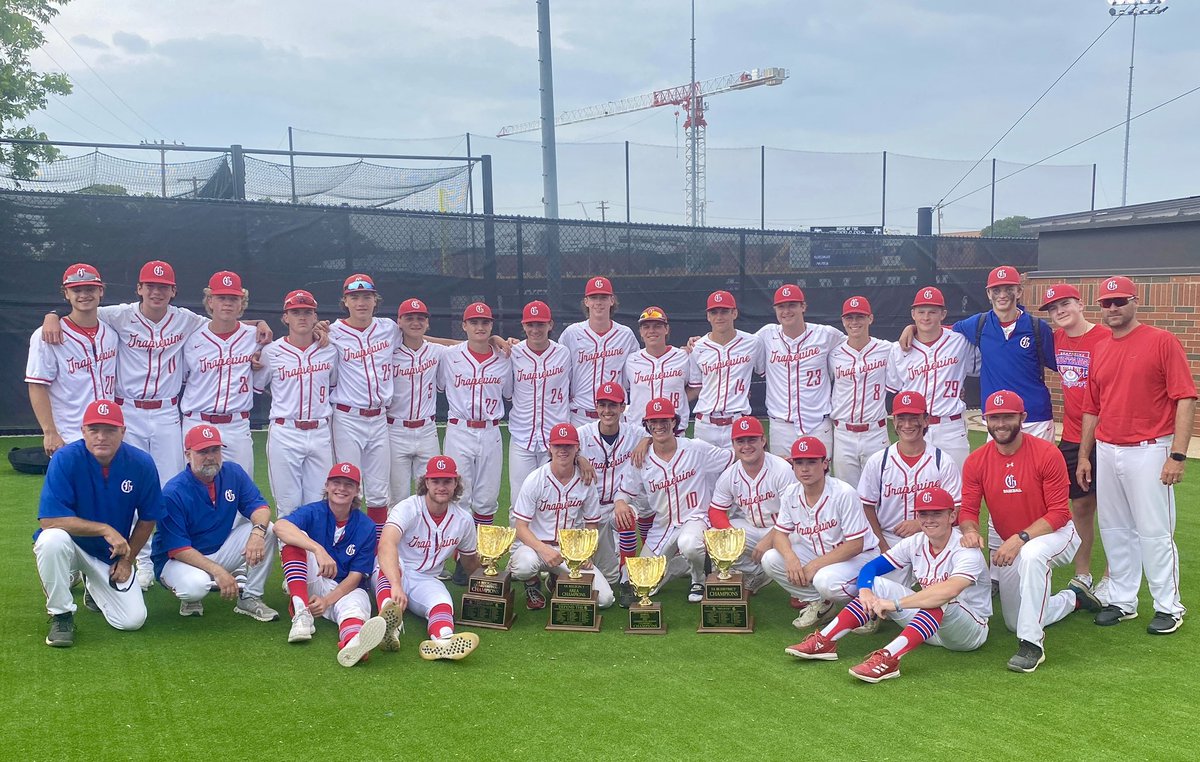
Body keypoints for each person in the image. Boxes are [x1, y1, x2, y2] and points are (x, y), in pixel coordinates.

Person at [40, 260, 272, 589]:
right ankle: (141, 560)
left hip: (166, 412)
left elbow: (223, 322)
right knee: (131, 485)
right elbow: (81, 309)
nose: (156, 291)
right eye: (150, 286)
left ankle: (196, 555)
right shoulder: (117, 314)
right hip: (128, 411)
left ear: (173, 291)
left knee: (163, 488)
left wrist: (259, 322)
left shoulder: (186, 320)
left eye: (163, 287)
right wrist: (51, 315)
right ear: (139, 289)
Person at [1079, 276, 1196, 635]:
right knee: (1115, 530)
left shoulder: (1162, 341)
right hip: (1109, 448)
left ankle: (1168, 606)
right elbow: (1092, 408)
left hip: (1150, 448)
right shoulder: (1100, 348)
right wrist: (1085, 455)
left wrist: (1177, 454)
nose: (1113, 308)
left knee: (1155, 531)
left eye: (1120, 301)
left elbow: (1185, 398)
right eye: (1106, 303)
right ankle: (1123, 600)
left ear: (1135, 301)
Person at [785, 487, 990, 684]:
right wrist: (865, 591)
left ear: (951, 516)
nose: (929, 520)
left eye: (936, 514)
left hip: (968, 631)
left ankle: (889, 658)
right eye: (923, 514)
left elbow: (950, 590)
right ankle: (824, 641)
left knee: (942, 597)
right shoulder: (916, 541)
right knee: (878, 584)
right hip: (929, 626)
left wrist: (895, 604)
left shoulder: (966, 548)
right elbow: (871, 568)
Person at [960, 390, 1100, 672]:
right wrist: (970, 531)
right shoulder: (976, 460)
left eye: (1008, 417)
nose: (1001, 424)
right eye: (994, 417)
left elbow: (1060, 512)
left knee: (1033, 554)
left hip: (1056, 535)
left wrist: (1020, 538)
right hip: (1013, 542)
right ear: (985, 419)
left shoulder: (1047, 453)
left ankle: (1032, 645)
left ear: (1022, 418)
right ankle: (1073, 599)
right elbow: (968, 512)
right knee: (1015, 620)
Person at [32, 400, 164, 647]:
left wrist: (127, 560)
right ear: (83, 431)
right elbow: (49, 520)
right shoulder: (65, 458)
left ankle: (93, 586)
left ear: (123, 432)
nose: (101, 437)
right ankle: (61, 615)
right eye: (94, 430)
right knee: (51, 540)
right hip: (71, 547)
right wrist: (105, 529)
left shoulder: (141, 463)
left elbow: (148, 518)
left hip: (108, 555)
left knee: (132, 621)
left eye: (110, 430)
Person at [153, 424, 280, 622]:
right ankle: (188, 594)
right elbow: (178, 549)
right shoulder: (173, 492)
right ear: (188, 454)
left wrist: (257, 533)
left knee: (269, 529)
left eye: (215, 450)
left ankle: (250, 597)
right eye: (203, 451)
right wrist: (218, 571)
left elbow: (260, 508)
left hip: (217, 549)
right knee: (195, 587)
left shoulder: (233, 473)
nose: (210, 457)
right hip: (177, 561)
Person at [614, 398, 733, 603]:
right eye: (654, 422)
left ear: (674, 422)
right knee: (643, 585)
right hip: (662, 526)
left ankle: (699, 578)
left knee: (688, 543)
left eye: (664, 421)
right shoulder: (641, 459)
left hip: (694, 519)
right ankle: (683, 565)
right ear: (648, 425)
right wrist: (620, 503)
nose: (659, 426)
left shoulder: (696, 449)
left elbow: (731, 459)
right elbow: (624, 491)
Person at [761, 436, 879, 629]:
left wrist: (813, 566)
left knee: (825, 580)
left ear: (825, 464)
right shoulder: (791, 493)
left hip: (860, 557)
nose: (805, 468)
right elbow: (780, 533)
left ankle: (868, 606)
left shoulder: (843, 493)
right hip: (822, 554)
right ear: (793, 466)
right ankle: (821, 603)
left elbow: (855, 545)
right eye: (799, 463)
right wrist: (790, 558)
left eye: (811, 462)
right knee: (771, 559)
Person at [274, 462, 383, 667]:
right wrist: (318, 549)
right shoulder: (313, 511)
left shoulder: (366, 525)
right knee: (294, 537)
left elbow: (356, 576)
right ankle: (301, 613)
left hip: (344, 587)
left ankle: (353, 643)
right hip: (314, 577)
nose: (341, 488)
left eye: (348, 485)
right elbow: (280, 526)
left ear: (357, 491)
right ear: (327, 485)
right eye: (336, 482)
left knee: (355, 608)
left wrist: (326, 601)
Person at [1040, 283, 1111, 593]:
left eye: (1065, 303)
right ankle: (1083, 574)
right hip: (1071, 435)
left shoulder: (1105, 337)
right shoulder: (1055, 340)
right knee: (1080, 507)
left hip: (1108, 436)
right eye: (1053, 309)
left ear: (1081, 304)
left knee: (1112, 509)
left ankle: (1114, 576)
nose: (1060, 311)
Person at [374, 456, 481, 661]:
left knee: (443, 603)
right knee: (391, 571)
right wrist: (396, 583)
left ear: (455, 483)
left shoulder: (463, 519)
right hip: (393, 569)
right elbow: (386, 544)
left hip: (427, 578)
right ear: (426, 482)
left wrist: (488, 583)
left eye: (447, 481)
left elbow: (469, 561)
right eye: (436, 481)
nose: (441, 487)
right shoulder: (408, 507)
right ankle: (388, 625)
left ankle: (443, 640)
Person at [439, 301, 511, 584]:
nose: (480, 327)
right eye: (474, 322)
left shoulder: (505, 357)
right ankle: (460, 558)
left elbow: (508, 393)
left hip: (492, 431)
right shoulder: (449, 356)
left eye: (485, 323)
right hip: (459, 430)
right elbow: (423, 340)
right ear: (464, 326)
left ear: (491, 326)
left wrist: (499, 342)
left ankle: (483, 556)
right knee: (460, 498)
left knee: (486, 499)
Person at [510, 423, 615, 610]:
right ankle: (532, 584)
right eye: (558, 445)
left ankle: (556, 579)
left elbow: (592, 524)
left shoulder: (585, 480)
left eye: (568, 445)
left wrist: (586, 552)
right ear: (550, 448)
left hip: (570, 552)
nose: (563, 450)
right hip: (536, 549)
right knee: (522, 567)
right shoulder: (535, 479)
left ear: (577, 448)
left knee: (605, 600)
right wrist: (543, 550)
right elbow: (520, 527)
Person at [327, 273, 398, 534]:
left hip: (379, 418)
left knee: (379, 491)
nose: (361, 302)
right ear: (345, 301)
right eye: (354, 297)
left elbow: (421, 341)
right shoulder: (332, 332)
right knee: (347, 485)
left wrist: (475, 343)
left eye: (366, 296)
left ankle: (377, 551)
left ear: (374, 300)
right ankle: (345, 543)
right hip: (347, 417)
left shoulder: (388, 328)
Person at [258, 289, 337, 518]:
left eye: (307, 312)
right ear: (285, 317)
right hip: (286, 431)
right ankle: (292, 555)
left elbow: (333, 383)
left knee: (319, 504)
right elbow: (259, 385)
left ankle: (314, 555)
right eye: (295, 312)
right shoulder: (271, 352)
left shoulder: (330, 350)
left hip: (320, 431)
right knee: (288, 504)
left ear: (315, 316)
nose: (302, 317)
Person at [26, 263, 117, 456]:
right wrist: (49, 432)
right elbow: (36, 385)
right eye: (76, 290)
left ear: (101, 291)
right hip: (69, 433)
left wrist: (52, 313)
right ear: (66, 294)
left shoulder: (111, 332)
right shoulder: (47, 335)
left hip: (108, 432)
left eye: (90, 289)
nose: (84, 295)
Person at [179, 271, 265, 475]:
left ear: (241, 303)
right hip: (198, 421)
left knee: (240, 489)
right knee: (197, 489)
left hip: (237, 424)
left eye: (233, 298)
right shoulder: (191, 338)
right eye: (221, 297)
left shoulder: (256, 337)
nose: (227, 303)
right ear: (210, 301)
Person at [858, 392, 961, 560]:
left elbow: (956, 507)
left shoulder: (942, 461)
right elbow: (866, 507)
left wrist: (919, 524)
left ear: (926, 420)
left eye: (914, 418)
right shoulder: (878, 462)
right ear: (894, 421)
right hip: (889, 538)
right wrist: (882, 547)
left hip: (932, 537)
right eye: (901, 418)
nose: (907, 424)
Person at [886, 286, 979, 467]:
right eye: (921, 312)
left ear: (943, 314)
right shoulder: (898, 349)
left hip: (951, 427)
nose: (926, 317)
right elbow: (895, 388)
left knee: (957, 487)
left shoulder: (960, 341)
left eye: (932, 312)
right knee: (916, 487)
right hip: (915, 428)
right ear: (913, 314)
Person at [755, 284, 845, 457]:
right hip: (781, 426)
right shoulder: (766, 335)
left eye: (792, 305)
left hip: (819, 424)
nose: (786, 311)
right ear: (775, 310)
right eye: (781, 306)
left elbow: (859, 344)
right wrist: (698, 342)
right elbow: (737, 344)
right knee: (785, 480)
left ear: (803, 307)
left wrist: (912, 329)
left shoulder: (826, 335)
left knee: (822, 479)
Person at [706, 415, 793, 592]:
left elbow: (793, 515)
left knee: (781, 553)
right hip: (753, 528)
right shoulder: (730, 475)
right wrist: (731, 535)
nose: (746, 446)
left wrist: (770, 539)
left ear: (763, 440)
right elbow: (715, 511)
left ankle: (800, 589)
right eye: (740, 441)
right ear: (733, 444)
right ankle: (758, 572)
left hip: (786, 531)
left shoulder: (781, 469)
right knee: (717, 536)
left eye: (752, 439)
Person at [578, 381, 642, 607]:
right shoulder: (583, 434)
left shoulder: (634, 433)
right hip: (589, 512)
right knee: (600, 572)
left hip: (617, 504)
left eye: (613, 405)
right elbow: (556, 450)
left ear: (623, 408)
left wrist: (646, 442)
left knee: (628, 517)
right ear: (596, 407)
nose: (607, 411)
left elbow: (656, 435)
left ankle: (627, 580)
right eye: (603, 405)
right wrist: (578, 456)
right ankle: (561, 576)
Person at [507, 300, 572, 498]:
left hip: (555, 438)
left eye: (540, 324)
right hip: (522, 436)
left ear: (550, 325)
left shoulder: (563, 353)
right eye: (531, 324)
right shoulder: (513, 353)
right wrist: (496, 339)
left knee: (554, 501)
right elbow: (508, 392)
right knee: (519, 501)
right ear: (523, 325)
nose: (535, 329)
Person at [828, 296, 893, 486]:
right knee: (846, 493)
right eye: (849, 318)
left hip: (876, 432)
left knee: (881, 491)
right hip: (843, 434)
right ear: (843, 321)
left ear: (870, 319)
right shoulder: (833, 354)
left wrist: (911, 328)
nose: (854, 322)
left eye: (860, 317)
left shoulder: (887, 348)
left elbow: (918, 338)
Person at [559, 276, 639, 427]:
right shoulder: (571, 333)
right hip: (580, 416)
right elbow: (559, 370)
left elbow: (636, 374)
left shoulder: (625, 335)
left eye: (603, 297)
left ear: (612, 300)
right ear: (586, 301)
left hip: (615, 416)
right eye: (594, 297)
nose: (598, 302)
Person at [690, 290, 764, 449]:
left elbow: (765, 371)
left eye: (724, 311)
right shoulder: (697, 347)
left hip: (738, 422)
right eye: (714, 312)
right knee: (704, 474)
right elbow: (695, 388)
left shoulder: (753, 343)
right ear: (708, 316)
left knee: (741, 473)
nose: (719, 316)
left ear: (734, 313)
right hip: (705, 425)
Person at [387, 298, 444, 503]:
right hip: (395, 429)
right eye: (409, 318)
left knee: (431, 494)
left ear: (427, 323)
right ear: (399, 322)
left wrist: (493, 340)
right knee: (397, 497)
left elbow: (465, 347)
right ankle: (393, 536)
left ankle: (426, 536)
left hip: (427, 429)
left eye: (421, 318)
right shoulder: (388, 352)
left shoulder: (437, 351)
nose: (415, 322)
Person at [623, 306, 699, 433]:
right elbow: (623, 388)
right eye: (646, 327)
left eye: (657, 326)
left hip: (675, 431)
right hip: (640, 433)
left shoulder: (683, 356)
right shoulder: (631, 361)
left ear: (666, 329)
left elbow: (696, 387)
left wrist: (680, 399)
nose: (651, 331)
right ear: (641, 332)